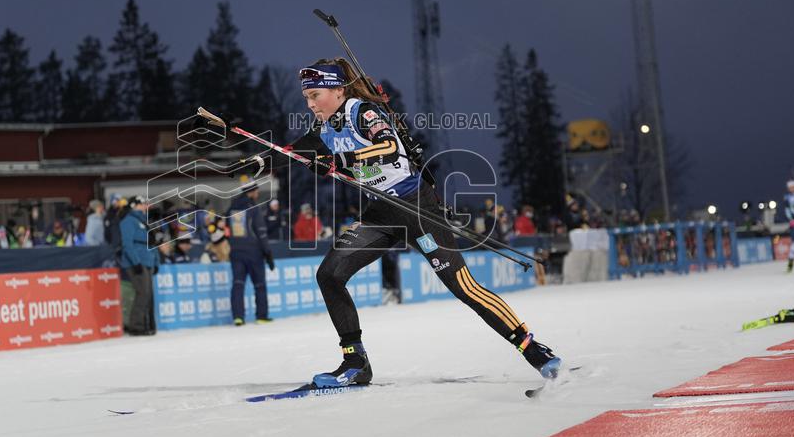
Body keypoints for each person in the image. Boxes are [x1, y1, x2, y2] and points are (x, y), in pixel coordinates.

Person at [217, 58, 561, 387]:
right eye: (306, 97)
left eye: (315, 95)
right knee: (330, 275)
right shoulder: (323, 127)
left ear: (338, 91)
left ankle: (532, 348)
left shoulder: (362, 112)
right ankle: (355, 362)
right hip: (381, 214)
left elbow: (388, 148)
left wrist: (339, 159)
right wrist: (252, 160)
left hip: (415, 209)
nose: (310, 104)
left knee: (463, 288)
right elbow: (291, 153)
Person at [227, 181, 275, 325]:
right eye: (256, 190)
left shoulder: (231, 208)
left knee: (238, 284)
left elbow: (227, 229)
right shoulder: (253, 207)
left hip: (236, 252)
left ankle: (238, 317)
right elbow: (261, 232)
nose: (258, 193)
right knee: (259, 285)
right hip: (254, 252)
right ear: (252, 191)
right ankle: (261, 316)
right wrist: (268, 253)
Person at [120, 196, 156, 335]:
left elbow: (152, 243)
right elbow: (127, 244)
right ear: (134, 205)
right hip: (137, 261)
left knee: (148, 294)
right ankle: (136, 326)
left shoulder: (145, 221)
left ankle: (148, 324)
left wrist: (155, 261)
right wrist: (135, 262)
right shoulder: (128, 221)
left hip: (147, 260)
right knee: (143, 293)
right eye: (142, 204)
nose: (145, 206)